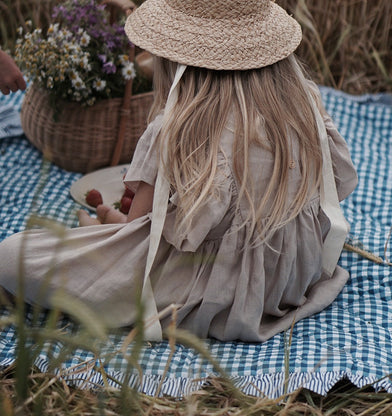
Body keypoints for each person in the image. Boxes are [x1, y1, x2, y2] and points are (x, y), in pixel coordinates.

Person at [0, 0, 357, 342]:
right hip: (291, 275)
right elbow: (333, 188)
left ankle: (92, 231)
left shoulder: (178, 128)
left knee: (12, 256)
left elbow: (136, 228)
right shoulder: (304, 103)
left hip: (215, 288)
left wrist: (107, 218)